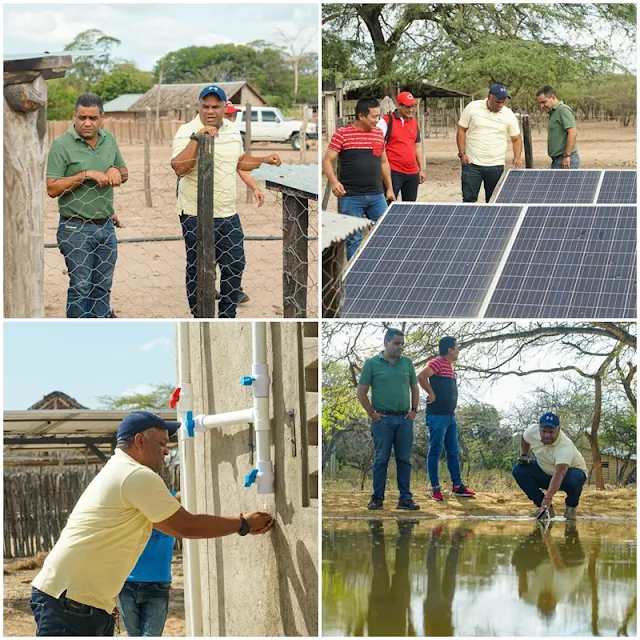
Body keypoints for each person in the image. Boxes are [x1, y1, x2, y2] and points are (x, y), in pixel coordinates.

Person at [30, 410, 274, 636]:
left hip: (77, 600)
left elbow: (169, 525)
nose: (166, 452)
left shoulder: (120, 470)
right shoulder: (136, 475)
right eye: (162, 444)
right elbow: (184, 527)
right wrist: (243, 524)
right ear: (139, 441)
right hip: (72, 603)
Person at [171, 85, 281, 318]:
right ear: (199, 107)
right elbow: (179, 168)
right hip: (194, 213)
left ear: (224, 108)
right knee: (200, 268)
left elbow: (239, 161)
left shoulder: (232, 130)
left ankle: (227, 315)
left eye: (216, 106)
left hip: (227, 212)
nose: (210, 111)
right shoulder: (186, 130)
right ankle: (200, 315)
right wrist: (196, 139)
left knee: (235, 265)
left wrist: (263, 159)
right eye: (205, 106)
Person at [46, 93, 128, 318]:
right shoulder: (61, 145)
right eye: (82, 117)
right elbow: (52, 188)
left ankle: (100, 326)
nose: (87, 123)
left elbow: (124, 173)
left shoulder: (109, 139)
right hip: (75, 228)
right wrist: (85, 175)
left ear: (103, 117)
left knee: (102, 287)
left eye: (93, 117)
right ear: (74, 116)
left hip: (106, 227)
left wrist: (114, 170)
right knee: (81, 287)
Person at [322, 97, 395, 260]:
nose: (378, 120)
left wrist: (389, 187)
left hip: (377, 195)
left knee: (385, 232)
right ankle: (354, 276)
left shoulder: (378, 134)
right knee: (353, 239)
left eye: (379, 116)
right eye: (374, 116)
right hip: (351, 196)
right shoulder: (342, 134)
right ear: (361, 116)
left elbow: (383, 162)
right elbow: (327, 160)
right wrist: (334, 182)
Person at [357, 328, 420, 511]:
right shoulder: (372, 363)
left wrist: (414, 411)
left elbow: (415, 388)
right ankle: (377, 498)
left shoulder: (407, 363)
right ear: (386, 343)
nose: (400, 347)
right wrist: (371, 413)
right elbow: (361, 390)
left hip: (404, 419)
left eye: (402, 343)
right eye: (396, 343)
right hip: (382, 420)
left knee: (404, 460)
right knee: (381, 459)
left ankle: (405, 499)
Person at [418, 336, 476, 502]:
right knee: (435, 450)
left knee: (453, 451)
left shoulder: (450, 367)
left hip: (450, 416)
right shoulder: (437, 362)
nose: (458, 351)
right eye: (457, 348)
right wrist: (431, 394)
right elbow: (422, 376)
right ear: (450, 350)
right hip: (437, 415)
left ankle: (457, 486)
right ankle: (434, 487)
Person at [116, 489, 180, 637]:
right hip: (126, 585)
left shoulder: (167, 500)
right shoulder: (130, 503)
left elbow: (184, 495)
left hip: (157, 586)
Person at [512, 412, 587, 520]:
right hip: (545, 472)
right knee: (518, 470)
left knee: (574, 480)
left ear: (558, 429)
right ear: (539, 429)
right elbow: (525, 438)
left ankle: (571, 509)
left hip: (567, 475)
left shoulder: (564, 446)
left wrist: (547, 500)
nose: (547, 435)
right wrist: (524, 455)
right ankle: (546, 510)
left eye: (551, 432)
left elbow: (559, 474)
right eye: (544, 431)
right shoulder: (531, 431)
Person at [456, 84, 522, 202]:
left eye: (503, 102)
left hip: (496, 165)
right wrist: (462, 153)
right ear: (489, 97)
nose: (500, 105)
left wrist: (517, 157)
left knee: (494, 200)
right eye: (497, 102)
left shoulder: (509, 115)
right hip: (472, 164)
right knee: (468, 199)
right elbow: (461, 130)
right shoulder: (472, 107)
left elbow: (516, 139)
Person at [367, 519, 416, 636]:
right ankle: (401, 530)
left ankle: (379, 529)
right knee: (397, 569)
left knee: (382, 569)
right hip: (393, 612)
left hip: (384, 612)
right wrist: (410, 621)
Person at [377, 91, 425, 201]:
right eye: (408, 107)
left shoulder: (414, 122)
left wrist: (421, 169)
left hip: (412, 173)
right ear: (399, 105)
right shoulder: (386, 121)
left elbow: (417, 146)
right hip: (393, 171)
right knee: (388, 204)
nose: (411, 110)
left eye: (412, 106)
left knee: (409, 207)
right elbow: (378, 144)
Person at [536, 86, 579, 169]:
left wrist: (567, 156)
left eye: (544, 102)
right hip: (557, 159)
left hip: (565, 159)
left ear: (553, 97)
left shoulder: (563, 110)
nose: (542, 105)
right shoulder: (553, 112)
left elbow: (573, 132)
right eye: (540, 103)